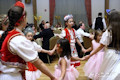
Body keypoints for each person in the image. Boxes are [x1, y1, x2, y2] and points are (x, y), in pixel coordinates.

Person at [0, 1, 56, 80]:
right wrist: (52, 77)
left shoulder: (10, 34)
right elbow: (38, 63)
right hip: (12, 76)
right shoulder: (18, 39)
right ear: (23, 18)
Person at [83, 9, 120, 80]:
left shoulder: (108, 32)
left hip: (110, 55)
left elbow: (100, 46)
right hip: (118, 54)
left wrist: (90, 55)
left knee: (108, 72)